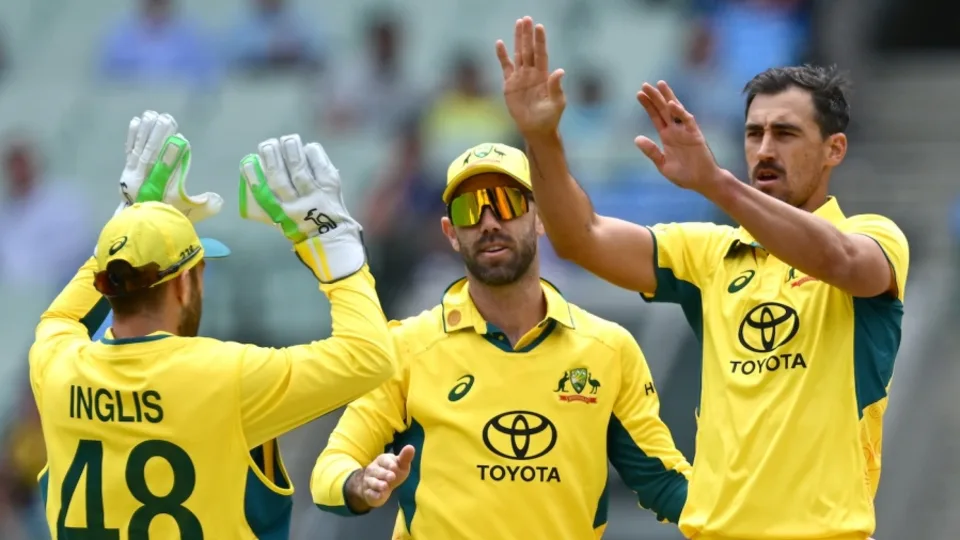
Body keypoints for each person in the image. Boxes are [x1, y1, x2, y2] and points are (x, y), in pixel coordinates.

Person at [496, 16, 906, 540]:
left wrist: (717, 184)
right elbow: (582, 238)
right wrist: (541, 137)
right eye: (754, 133)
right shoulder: (711, 253)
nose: (763, 151)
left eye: (785, 133)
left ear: (835, 150)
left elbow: (841, 262)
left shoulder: (875, 237)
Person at [29, 111, 396, 538]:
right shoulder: (229, 376)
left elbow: (62, 317)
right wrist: (335, 245)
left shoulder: (55, 366)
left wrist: (125, 227)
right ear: (185, 283)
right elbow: (370, 355)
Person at [310, 142, 690, 539]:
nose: (489, 222)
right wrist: (359, 483)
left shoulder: (609, 349)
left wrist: (742, 516)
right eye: (468, 210)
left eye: (506, 203)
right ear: (451, 233)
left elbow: (661, 480)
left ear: (540, 216)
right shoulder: (406, 347)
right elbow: (330, 468)